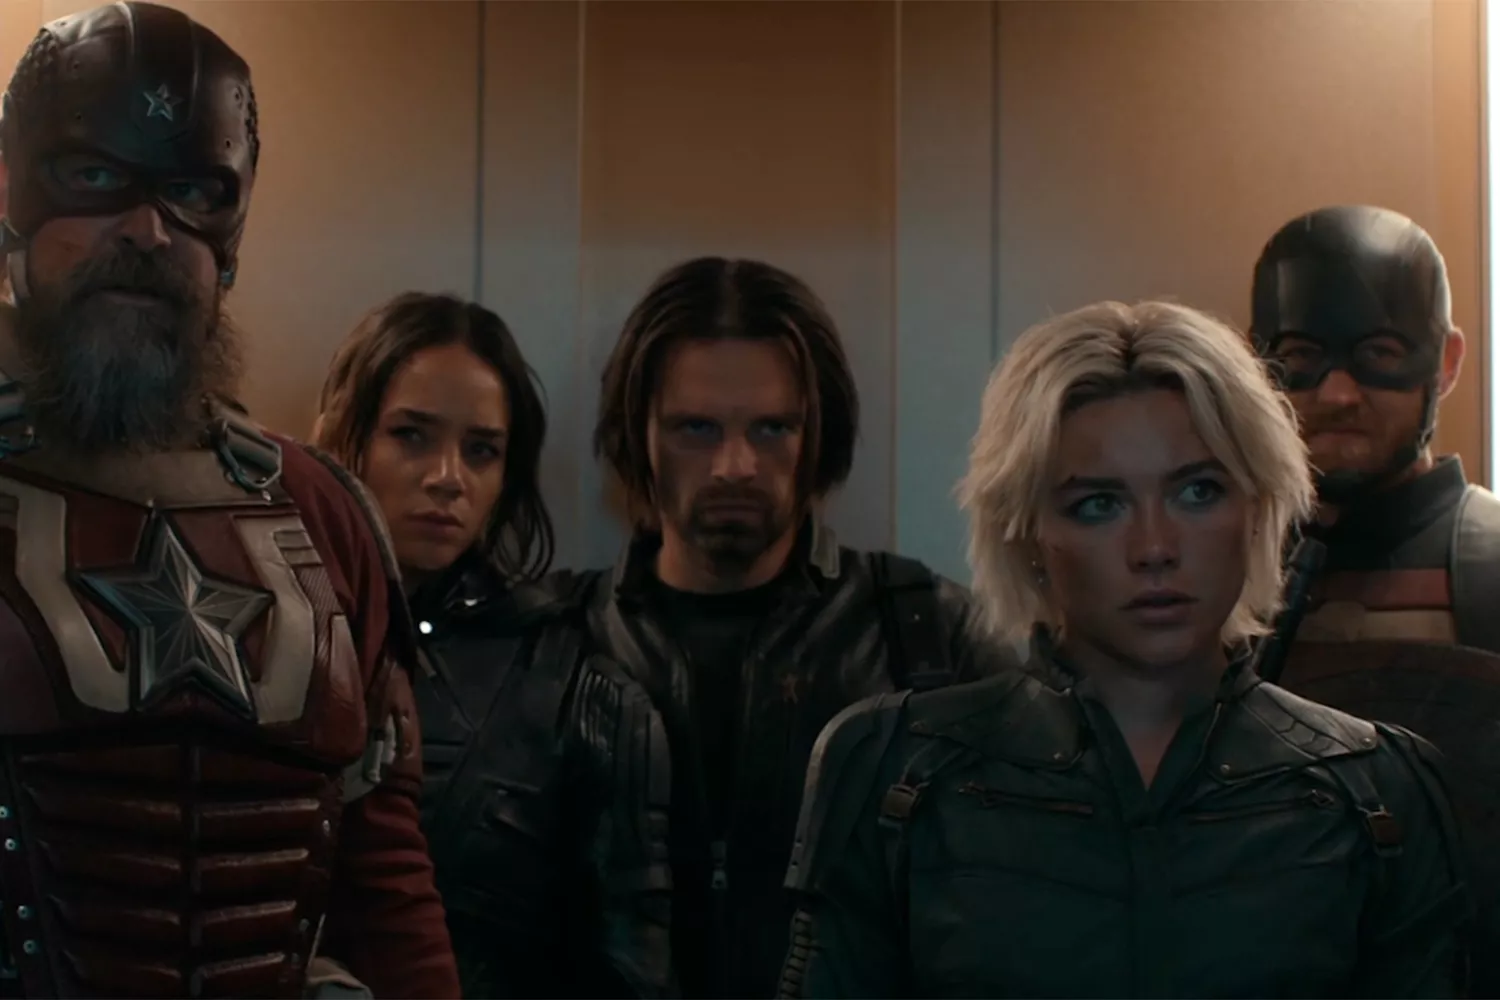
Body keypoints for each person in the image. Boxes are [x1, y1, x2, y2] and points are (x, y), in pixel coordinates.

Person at [779, 300, 1471, 998]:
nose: (1155, 548)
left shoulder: (1378, 791)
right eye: (1099, 504)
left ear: (1257, 509)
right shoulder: (892, 771)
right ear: (1029, 530)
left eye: (1197, 491)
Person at [0, 5, 458, 997]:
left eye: (190, 191)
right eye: (94, 177)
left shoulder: (323, 512)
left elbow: (386, 882)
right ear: (13, 194)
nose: (145, 231)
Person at [520, 255, 1011, 998]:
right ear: (639, 434)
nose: (735, 465)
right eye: (696, 428)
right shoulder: (554, 642)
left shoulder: (929, 635)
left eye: (773, 427)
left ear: (818, 435)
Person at [312, 291, 675, 998]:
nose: (448, 477)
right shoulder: (266, 632)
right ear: (342, 436)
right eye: (411, 435)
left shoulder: (570, 680)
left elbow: (632, 967)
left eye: (481, 450)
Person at [1249, 204, 1500, 993]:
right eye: (1303, 356)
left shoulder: (1490, 564)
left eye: (1381, 354)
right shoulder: (1211, 570)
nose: (1340, 393)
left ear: (1445, 361)